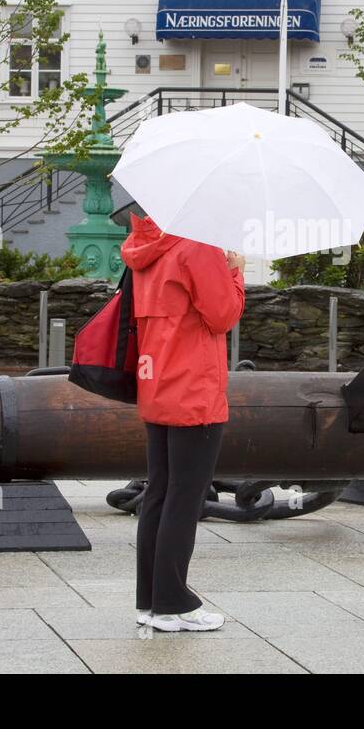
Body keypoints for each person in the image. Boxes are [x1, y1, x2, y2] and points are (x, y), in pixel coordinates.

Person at [119, 207, 246, 632]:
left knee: (159, 491)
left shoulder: (143, 247)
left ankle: (150, 601)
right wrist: (235, 271)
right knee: (185, 496)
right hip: (193, 389)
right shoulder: (198, 244)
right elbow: (223, 315)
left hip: (156, 383)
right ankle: (173, 601)